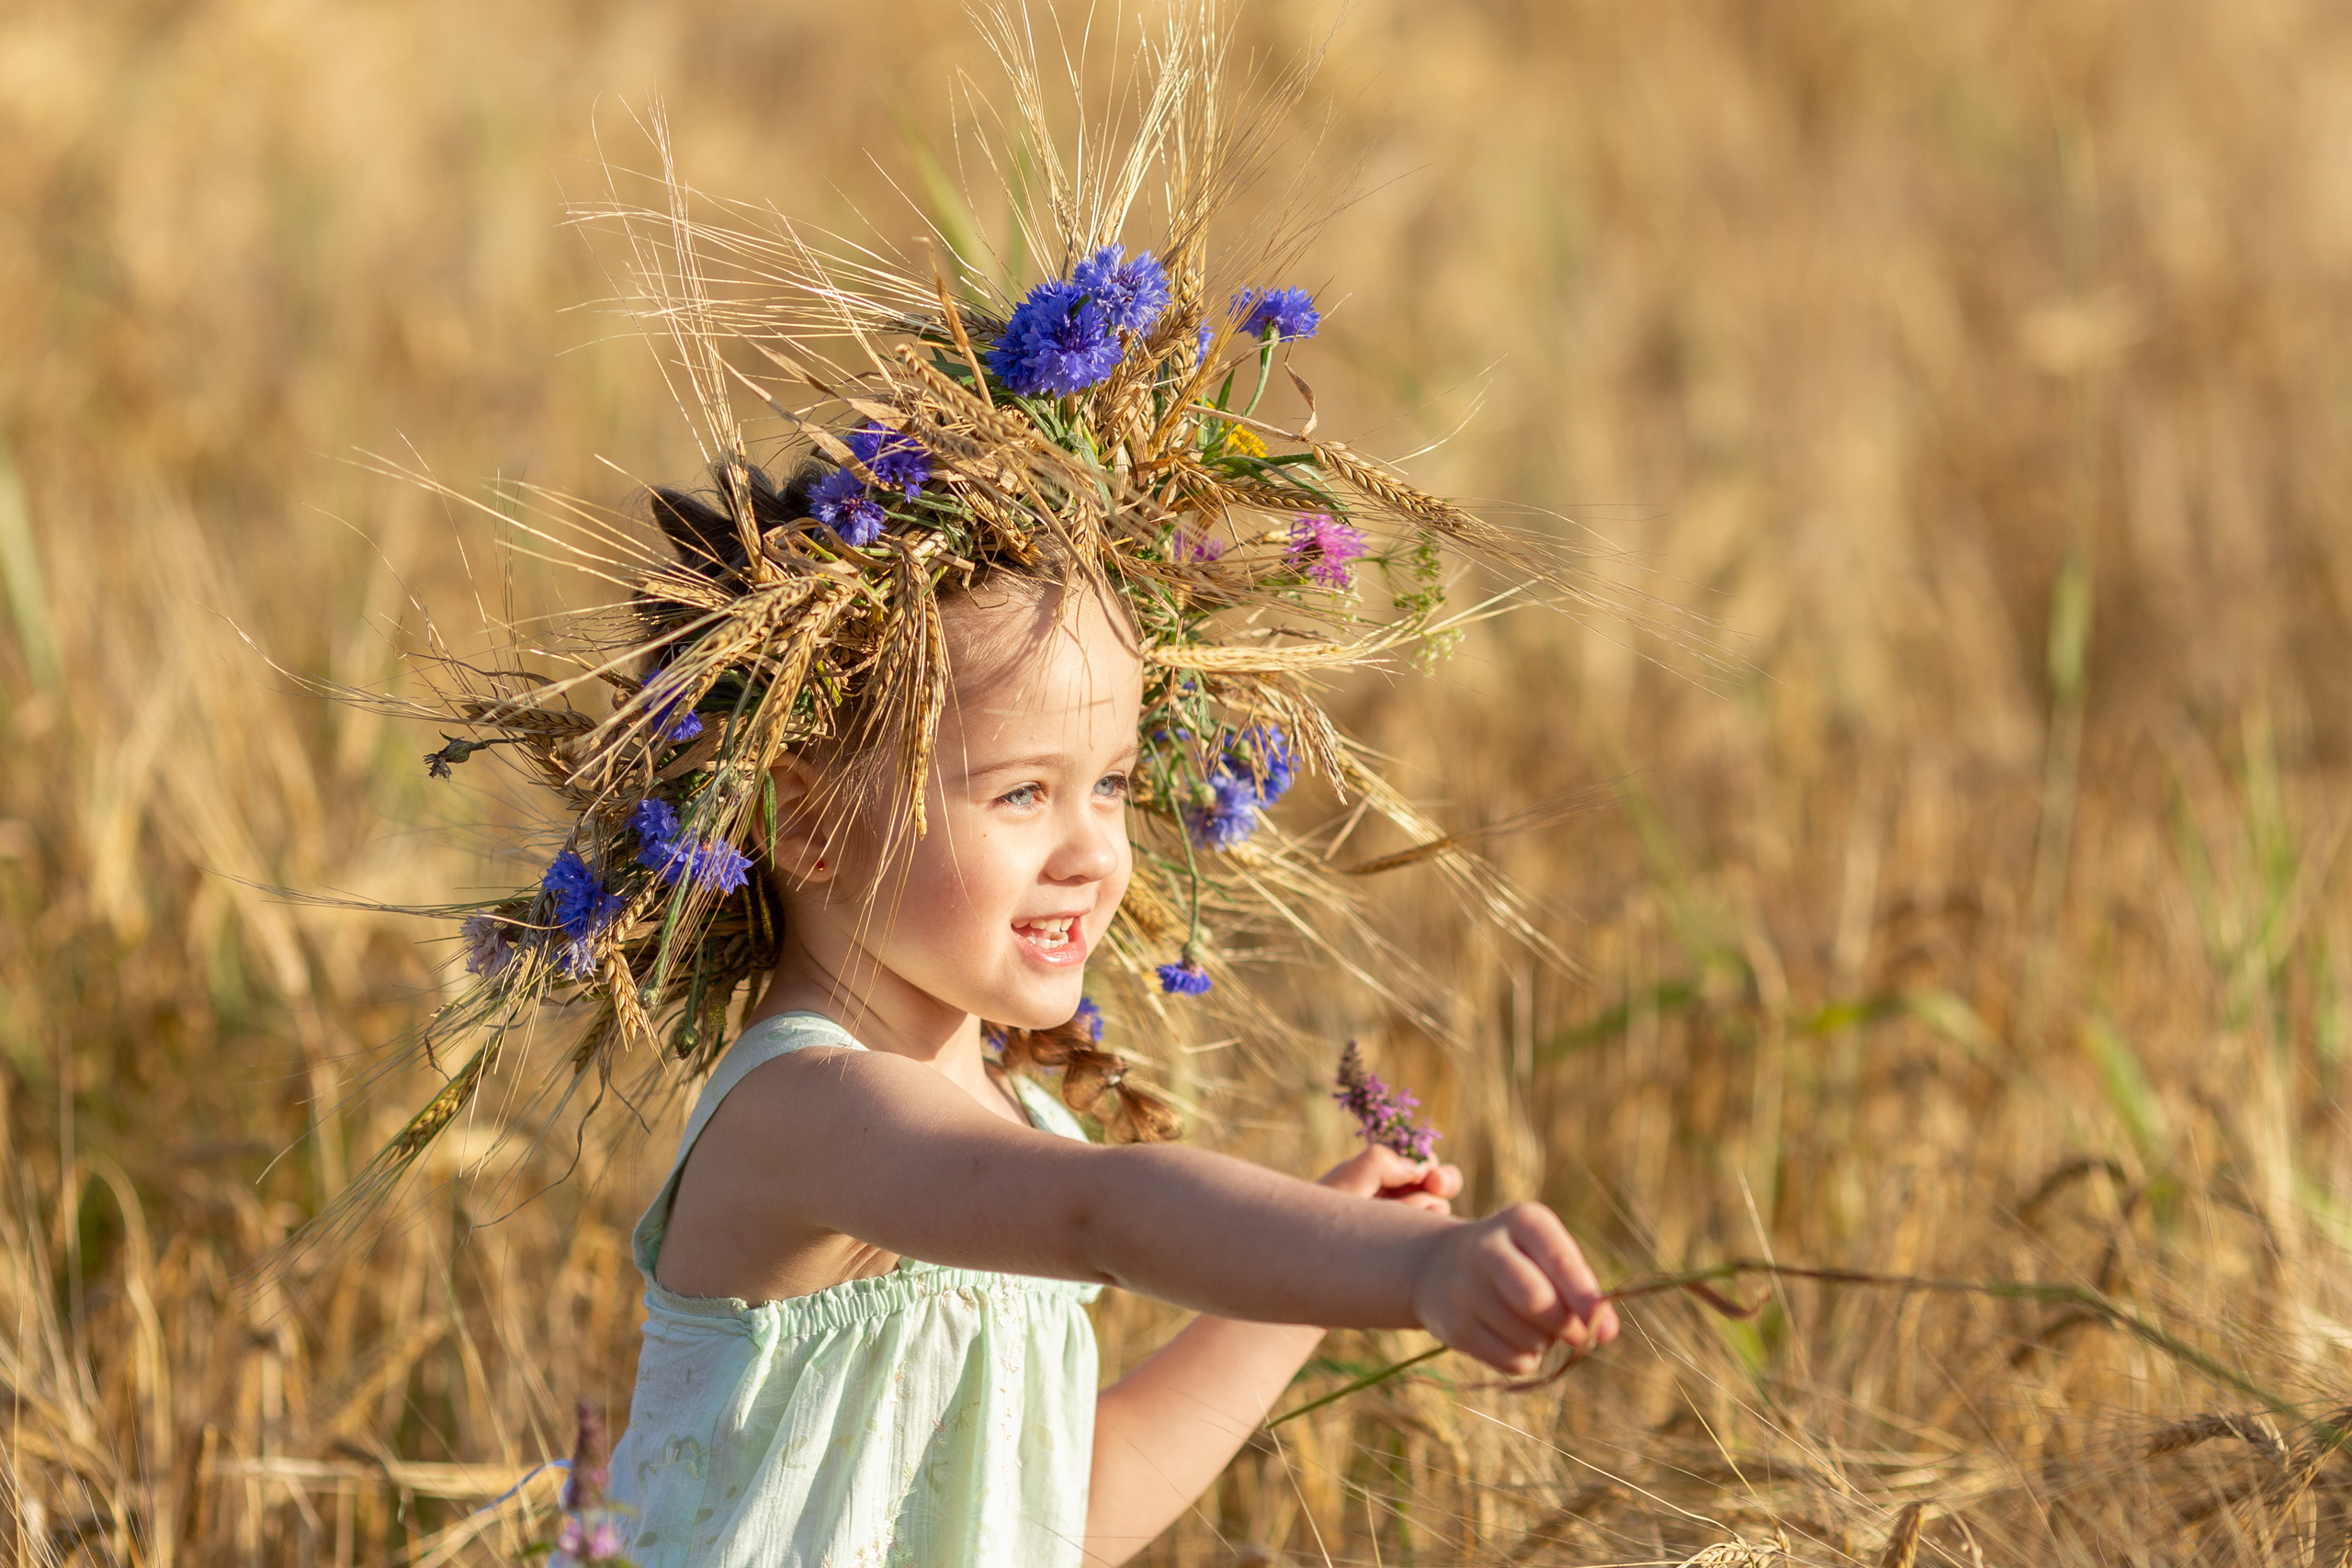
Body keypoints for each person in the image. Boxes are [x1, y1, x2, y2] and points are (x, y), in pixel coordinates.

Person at [600, 553, 1618, 1565]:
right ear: (814, 823)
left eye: (1112, 784)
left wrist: (1333, 1255)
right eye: (1022, 793)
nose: (1092, 851)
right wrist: (1415, 1268)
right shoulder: (807, 1112)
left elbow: (1051, 1519)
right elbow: (1108, 1212)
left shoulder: (1018, 1121)